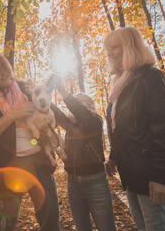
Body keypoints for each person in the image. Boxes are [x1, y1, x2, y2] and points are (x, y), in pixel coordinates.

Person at [0, 49, 60, 231]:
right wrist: (12, 115)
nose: (4, 73)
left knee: (51, 218)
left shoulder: (23, 87)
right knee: (3, 225)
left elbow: (48, 108)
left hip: (39, 162)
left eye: (3, 67)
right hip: (5, 168)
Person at [104, 27, 165, 231]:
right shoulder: (117, 88)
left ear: (130, 47)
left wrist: (161, 176)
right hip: (130, 175)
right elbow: (122, 129)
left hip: (150, 174)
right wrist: (113, 155)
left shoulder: (150, 77)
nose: (109, 53)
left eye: (114, 47)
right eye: (107, 49)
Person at [50, 77, 117, 231]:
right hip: (72, 183)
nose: (73, 108)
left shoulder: (95, 121)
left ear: (89, 107)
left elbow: (82, 113)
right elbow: (56, 112)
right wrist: (42, 93)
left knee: (106, 227)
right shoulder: (69, 124)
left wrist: (65, 93)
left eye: (78, 103)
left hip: (96, 183)